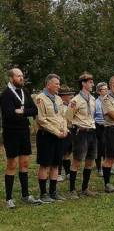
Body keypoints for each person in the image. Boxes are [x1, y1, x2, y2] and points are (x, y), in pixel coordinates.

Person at [1, 68, 41, 208]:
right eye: (18, 76)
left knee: (24, 164)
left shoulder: (25, 92)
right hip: (11, 133)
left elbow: (34, 110)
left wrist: (21, 111)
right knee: (12, 164)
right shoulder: (6, 94)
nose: (21, 78)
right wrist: (23, 112)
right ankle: (9, 199)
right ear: (11, 78)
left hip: (24, 132)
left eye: (22, 76)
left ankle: (25, 195)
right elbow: (9, 114)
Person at [35, 74, 68, 202]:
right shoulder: (40, 99)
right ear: (48, 84)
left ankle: (53, 192)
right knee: (45, 164)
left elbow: (63, 117)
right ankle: (43, 193)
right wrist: (56, 131)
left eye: (59, 84)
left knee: (56, 164)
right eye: (56, 84)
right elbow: (41, 120)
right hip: (46, 136)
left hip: (59, 136)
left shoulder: (58, 99)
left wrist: (64, 129)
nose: (58, 86)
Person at [65, 72, 98, 199]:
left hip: (92, 132)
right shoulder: (75, 101)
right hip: (81, 133)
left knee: (90, 160)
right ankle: (72, 190)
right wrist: (76, 129)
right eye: (90, 82)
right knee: (77, 161)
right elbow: (68, 118)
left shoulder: (93, 99)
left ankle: (85, 188)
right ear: (83, 83)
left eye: (92, 82)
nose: (92, 84)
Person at [57, 85, 75, 183]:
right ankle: (58, 173)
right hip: (62, 131)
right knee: (60, 153)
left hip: (70, 131)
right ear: (63, 96)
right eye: (68, 95)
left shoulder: (69, 105)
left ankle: (68, 173)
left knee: (67, 153)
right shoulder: (59, 106)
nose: (70, 97)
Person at [94, 82, 108, 176]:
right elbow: (93, 116)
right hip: (99, 127)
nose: (107, 91)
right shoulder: (96, 103)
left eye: (107, 89)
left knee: (108, 147)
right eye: (104, 89)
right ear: (99, 91)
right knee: (100, 148)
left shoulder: (110, 100)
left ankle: (107, 167)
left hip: (109, 126)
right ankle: (99, 168)